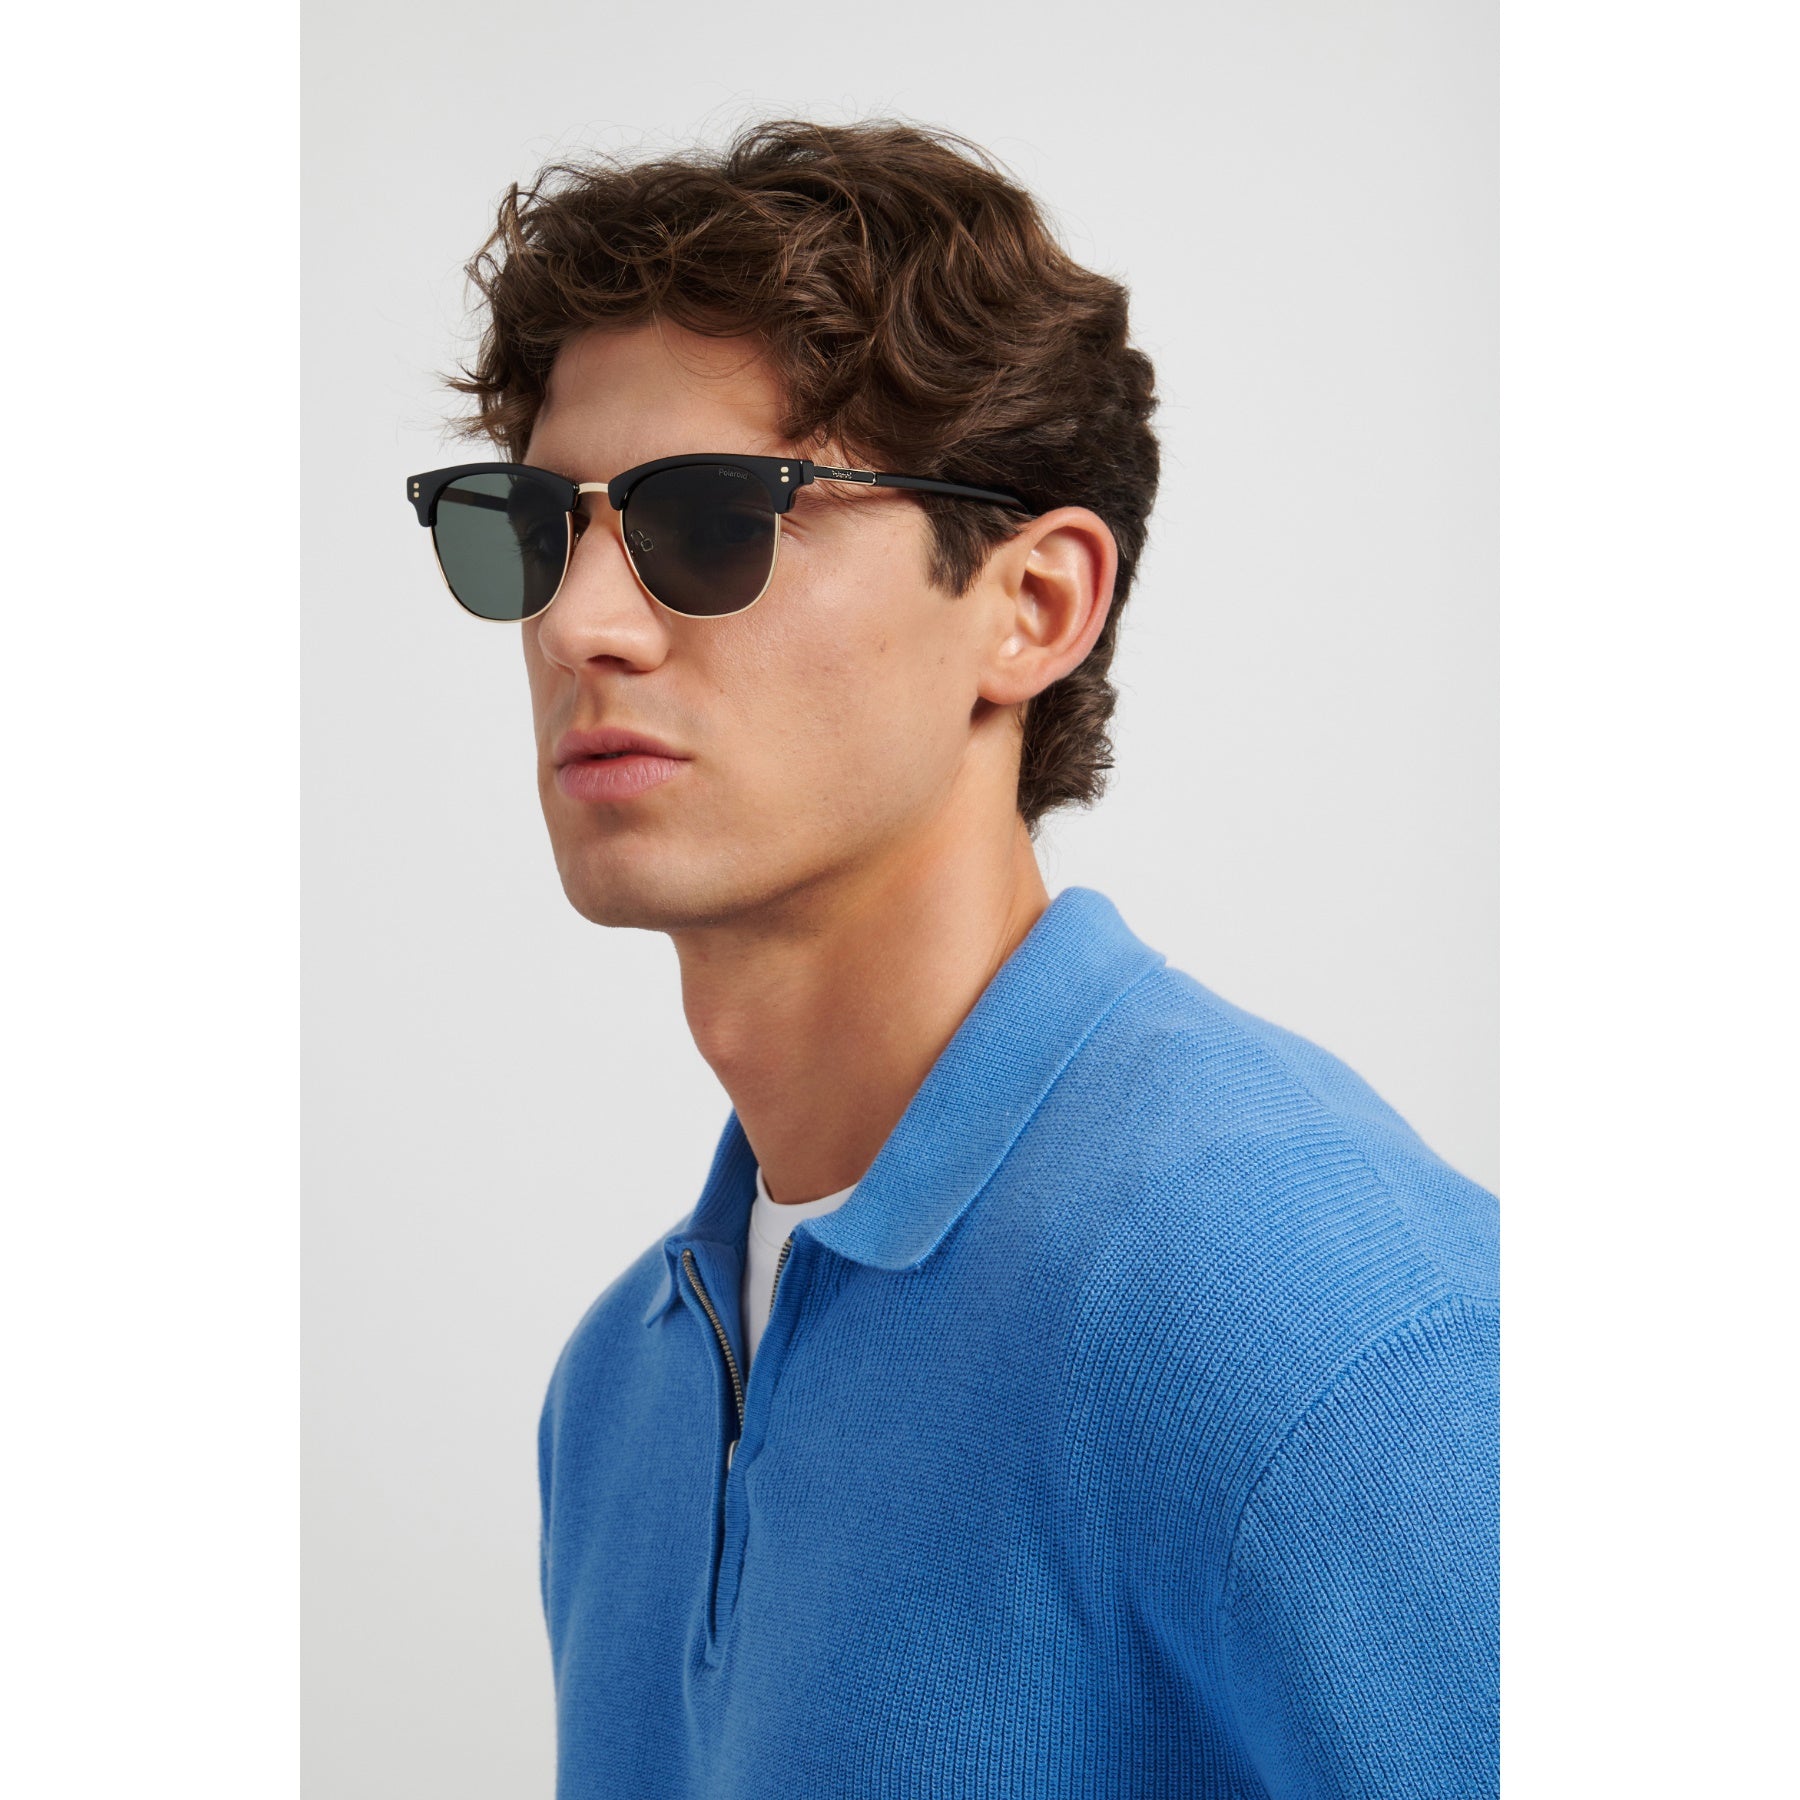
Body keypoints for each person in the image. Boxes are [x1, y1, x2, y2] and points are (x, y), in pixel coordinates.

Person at [405, 116, 1498, 1799]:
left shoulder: (1301, 1307)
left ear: (1033, 605)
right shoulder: (624, 1392)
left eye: (715, 521)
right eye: (542, 530)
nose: (576, 625)